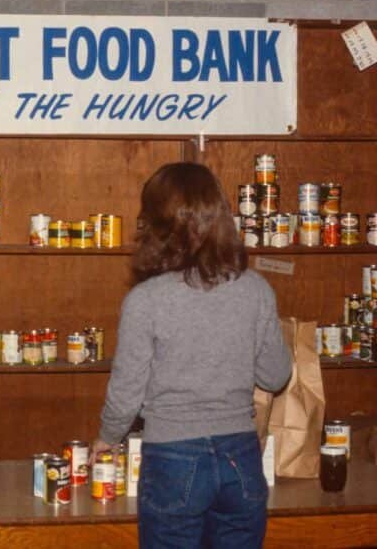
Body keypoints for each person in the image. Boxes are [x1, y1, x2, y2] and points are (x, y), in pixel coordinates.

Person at [93, 162, 292, 549]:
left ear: (155, 226)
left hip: (173, 458)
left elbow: (126, 393)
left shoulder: (145, 301)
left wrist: (107, 438)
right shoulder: (256, 289)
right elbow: (276, 375)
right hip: (241, 457)